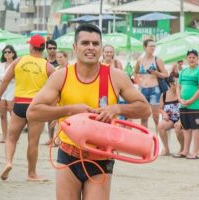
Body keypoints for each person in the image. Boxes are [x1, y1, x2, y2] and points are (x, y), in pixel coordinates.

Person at [26, 24, 151, 200]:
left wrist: (116, 108)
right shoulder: (61, 76)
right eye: (85, 43)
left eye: (95, 43)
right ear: (74, 48)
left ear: (101, 48)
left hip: (101, 158)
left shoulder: (115, 76)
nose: (90, 47)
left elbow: (145, 109)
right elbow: (33, 112)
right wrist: (69, 110)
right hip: (69, 155)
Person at [0, 34, 55, 181]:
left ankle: (9, 162)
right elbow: (57, 90)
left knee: (11, 137)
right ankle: (31, 173)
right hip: (37, 106)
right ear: (43, 48)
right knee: (33, 142)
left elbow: (5, 81)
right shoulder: (48, 66)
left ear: (31, 47)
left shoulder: (19, 60)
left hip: (19, 104)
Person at [178, 49, 199, 159]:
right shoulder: (183, 72)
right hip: (183, 105)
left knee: (196, 128)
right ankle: (185, 151)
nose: (191, 59)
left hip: (195, 106)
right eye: (189, 57)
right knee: (186, 128)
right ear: (186, 59)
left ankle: (195, 152)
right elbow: (178, 86)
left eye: (194, 57)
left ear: (197, 59)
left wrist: (191, 100)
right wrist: (180, 98)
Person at [134, 39, 168, 131]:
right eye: (151, 46)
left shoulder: (157, 60)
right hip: (143, 90)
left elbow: (165, 74)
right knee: (143, 116)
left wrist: (156, 73)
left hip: (154, 90)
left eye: (154, 46)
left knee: (156, 117)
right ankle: (145, 139)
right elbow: (135, 73)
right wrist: (139, 83)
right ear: (145, 47)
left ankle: (157, 138)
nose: (153, 48)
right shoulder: (140, 60)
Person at [0, 45, 17, 143]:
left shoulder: (15, 64)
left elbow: (14, 78)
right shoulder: (1, 65)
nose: (7, 54)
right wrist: (7, 78)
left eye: (9, 52)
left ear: (13, 53)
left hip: (12, 89)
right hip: (3, 90)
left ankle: (13, 137)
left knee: (12, 114)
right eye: (5, 52)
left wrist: (5, 78)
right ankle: (4, 136)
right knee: (2, 114)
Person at [158, 75, 183, 156]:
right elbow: (160, 108)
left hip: (182, 118)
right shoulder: (164, 95)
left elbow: (186, 107)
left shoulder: (182, 93)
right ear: (170, 84)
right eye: (176, 83)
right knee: (161, 126)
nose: (179, 85)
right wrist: (164, 113)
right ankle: (166, 149)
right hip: (170, 118)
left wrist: (180, 120)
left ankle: (182, 148)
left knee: (177, 127)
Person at [44, 39, 58, 145]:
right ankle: (50, 137)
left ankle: (58, 138)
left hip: (58, 91)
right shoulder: (44, 61)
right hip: (46, 90)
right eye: (50, 48)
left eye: (54, 48)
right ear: (46, 49)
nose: (52, 50)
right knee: (49, 116)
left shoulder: (59, 60)